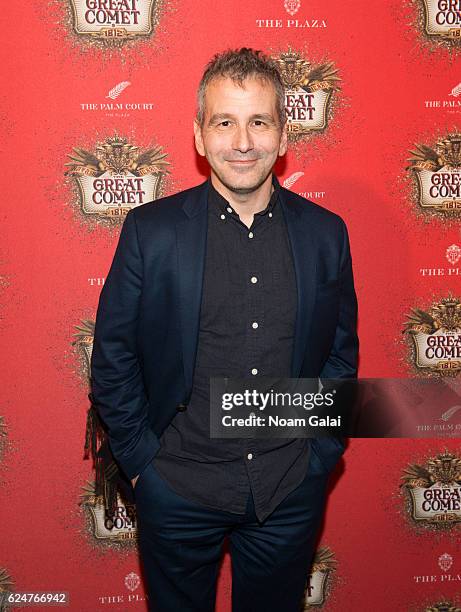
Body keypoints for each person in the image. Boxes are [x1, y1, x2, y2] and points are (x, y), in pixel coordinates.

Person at [90, 47, 359, 612]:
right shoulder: (150, 232)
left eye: (259, 122)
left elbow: (339, 358)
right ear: (198, 134)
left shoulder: (326, 235)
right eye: (225, 122)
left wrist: (318, 458)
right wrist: (143, 466)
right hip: (178, 488)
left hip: (289, 490)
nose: (242, 142)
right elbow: (113, 355)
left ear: (283, 136)